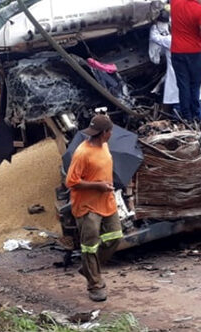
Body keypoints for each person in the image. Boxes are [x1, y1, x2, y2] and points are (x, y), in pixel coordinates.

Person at [65, 114, 123, 302]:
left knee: (115, 237)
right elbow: (71, 181)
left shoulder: (105, 146)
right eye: (110, 131)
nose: (111, 134)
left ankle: (88, 268)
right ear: (104, 133)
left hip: (106, 201)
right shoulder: (82, 153)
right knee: (89, 246)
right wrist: (97, 186)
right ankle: (95, 284)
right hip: (87, 205)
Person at [149, 8, 179, 111]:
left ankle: (170, 113)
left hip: (173, 73)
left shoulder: (169, 40)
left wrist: (154, 25)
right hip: (182, 70)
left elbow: (154, 37)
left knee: (171, 95)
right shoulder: (181, 38)